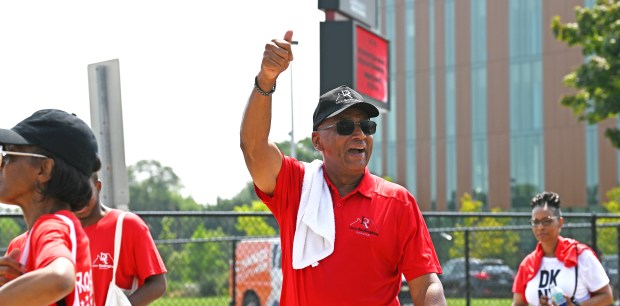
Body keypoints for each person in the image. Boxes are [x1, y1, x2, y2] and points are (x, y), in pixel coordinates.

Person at [240, 30, 446, 305]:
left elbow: (426, 284)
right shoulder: (297, 185)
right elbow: (253, 147)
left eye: (367, 126)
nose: (359, 134)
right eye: (346, 126)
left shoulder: (398, 203)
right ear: (317, 141)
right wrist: (266, 79)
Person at [0, 109, 98, 305]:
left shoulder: (51, 227)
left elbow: (60, 279)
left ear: (43, 170)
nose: (1, 164)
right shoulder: (31, 238)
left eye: (9, 156)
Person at [74, 171, 167, 306]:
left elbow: (158, 284)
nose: (78, 200)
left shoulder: (127, 224)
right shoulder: (60, 230)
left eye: (85, 191)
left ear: (98, 187)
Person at [512, 191, 613, 306]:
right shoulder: (527, 263)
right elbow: (518, 303)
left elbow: (606, 296)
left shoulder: (581, 255)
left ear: (560, 222)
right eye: (535, 222)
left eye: (547, 221)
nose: (540, 227)